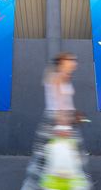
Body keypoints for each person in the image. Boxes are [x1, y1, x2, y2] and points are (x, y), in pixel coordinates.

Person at [21, 52, 92, 190]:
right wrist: (62, 126)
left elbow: (65, 101)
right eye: (71, 60)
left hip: (64, 119)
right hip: (58, 120)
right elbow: (58, 102)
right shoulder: (57, 77)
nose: (74, 63)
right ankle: (36, 185)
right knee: (51, 155)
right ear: (62, 62)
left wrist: (74, 115)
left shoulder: (63, 77)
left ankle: (56, 184)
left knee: (54, 155)